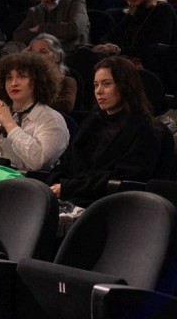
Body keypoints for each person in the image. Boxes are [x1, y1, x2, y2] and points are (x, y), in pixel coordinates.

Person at [50, 56, 162, 207]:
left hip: (111, 205)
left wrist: (68, 187)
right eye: (96, 85)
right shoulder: (92, 122)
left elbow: (125, 179)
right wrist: (53, 184)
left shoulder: (145, 129)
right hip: (70, 197)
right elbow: (67, 164)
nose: (99, 91)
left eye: (107, 84)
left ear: (125, 86)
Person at [92, 0, 177, 89]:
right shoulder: (134, 12)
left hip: (151, 70)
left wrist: (119, 50)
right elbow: (109, 36)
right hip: (128, 62)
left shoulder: (164, 10)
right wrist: (107, 45)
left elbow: (154, 50)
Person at [11, 0, 90, 52]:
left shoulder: (75, 2)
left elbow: (74, 29)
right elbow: (18, 35)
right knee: (12, 47)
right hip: (42, 56)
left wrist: (40, 28)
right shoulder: (34, 11)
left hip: (71, 54)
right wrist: (59, 31)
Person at [25, 33, 79, 112]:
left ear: (57, 56)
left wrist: (29, 104)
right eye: (34, 53)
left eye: (43, 52)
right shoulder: (30, 81)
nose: (37, 56)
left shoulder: (67, 81)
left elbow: (66, 105)